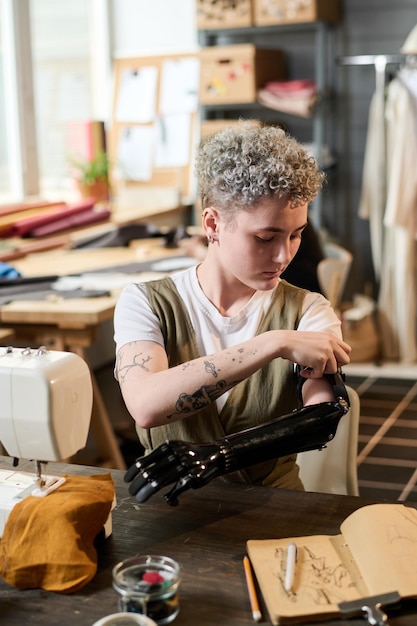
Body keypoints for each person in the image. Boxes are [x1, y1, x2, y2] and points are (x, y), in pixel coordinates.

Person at [113, 120, 351, 492]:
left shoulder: (310, 311)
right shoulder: (145, 302)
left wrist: (221, 455)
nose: (283, 254)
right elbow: (145, 404)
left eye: (296, 235)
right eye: (265, 237)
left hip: (274, 506)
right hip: (171, 506)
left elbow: (322, 417)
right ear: (212, 223)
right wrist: (271, 343)